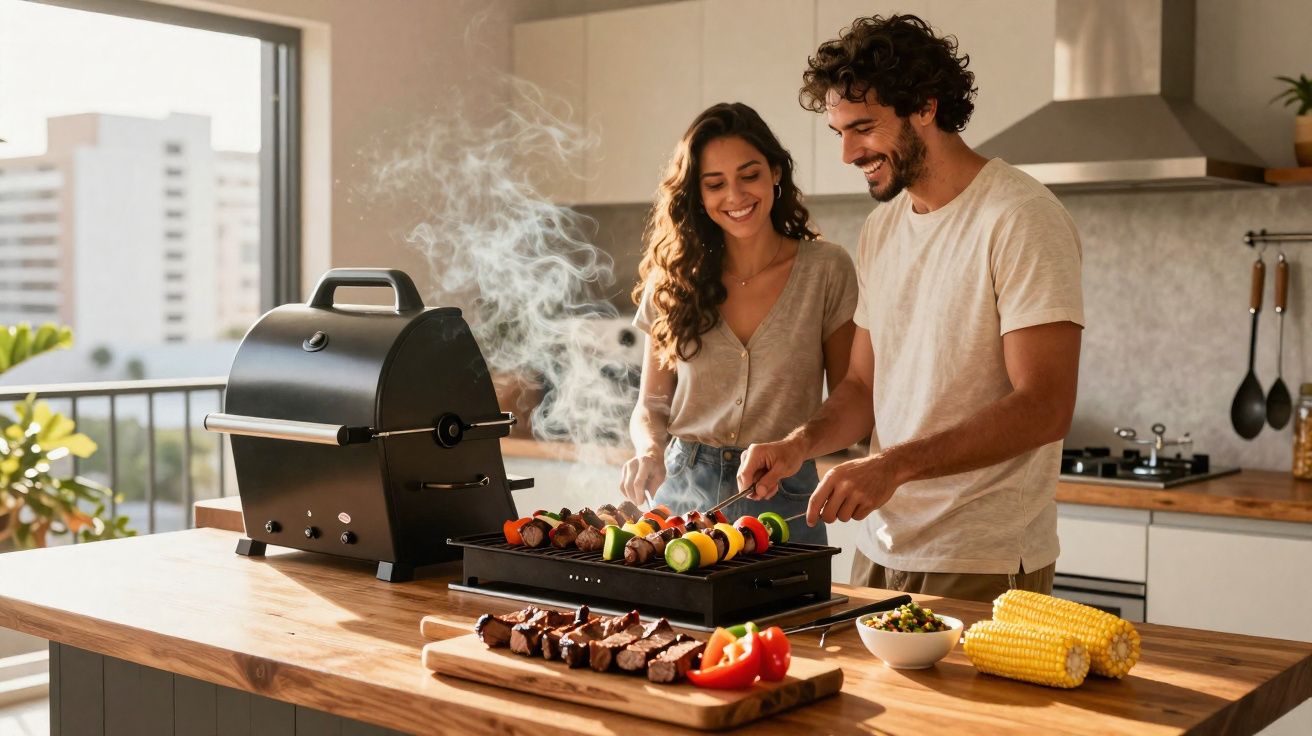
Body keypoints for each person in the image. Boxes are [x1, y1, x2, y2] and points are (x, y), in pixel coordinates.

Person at [738, 15, 1084, 601]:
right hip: (880, 547)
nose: (848, 152)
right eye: (839, 132)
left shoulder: (1020, 218)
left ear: (925, 106)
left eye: (863, 128)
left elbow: (1045, 406)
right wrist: (798, 445)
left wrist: (891, 466)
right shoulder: (882, 229)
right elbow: (862, 386)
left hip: (982, 556)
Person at [620, 102, 857, 545]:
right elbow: (651, 403)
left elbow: (853, 401)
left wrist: (797, 446)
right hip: (683, 494)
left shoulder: (825, 270)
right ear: (697, 194)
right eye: (715, 184)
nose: (735, 196)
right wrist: (649, 449)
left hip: (783, 493)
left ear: (775, 173)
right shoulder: (673, 278)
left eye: (749, 175)